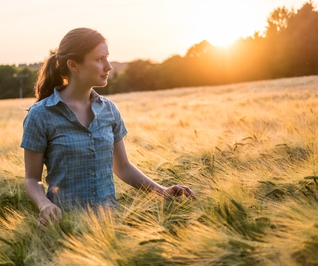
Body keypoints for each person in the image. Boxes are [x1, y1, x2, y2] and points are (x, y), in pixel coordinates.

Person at [21, 28, 195, 225]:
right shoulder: (41, 115)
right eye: (99, 59)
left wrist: (162, 191)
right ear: (73, 65)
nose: (109, 66)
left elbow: (122, 167)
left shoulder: (109, 110)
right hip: (64, 228)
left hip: (109, 226)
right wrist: (44, 204)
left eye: (107, 58)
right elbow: (32, 179)